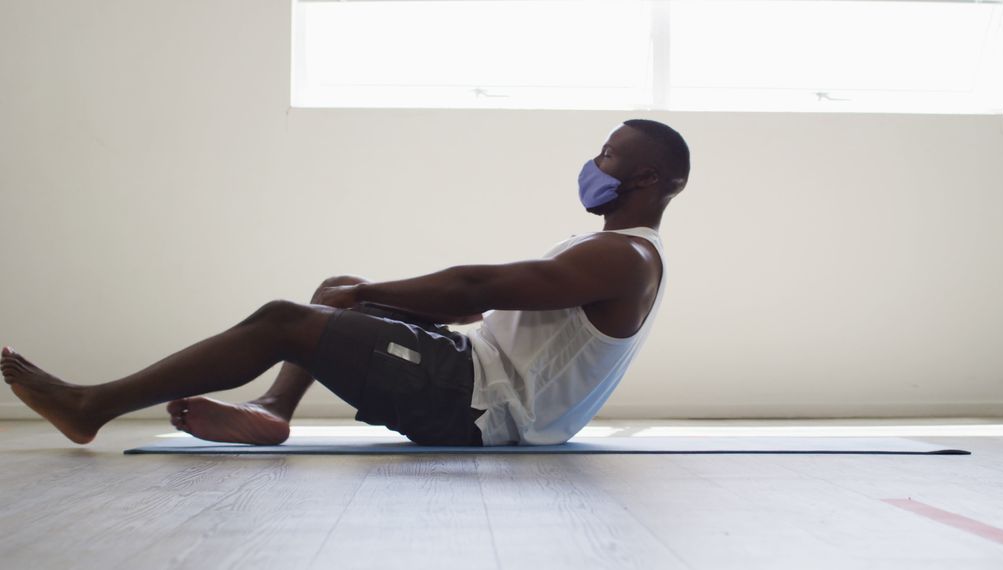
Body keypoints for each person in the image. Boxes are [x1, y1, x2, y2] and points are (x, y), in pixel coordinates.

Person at [1, 119, 690, 447]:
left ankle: (93, 406)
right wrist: (359, 296)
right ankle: (274, 409)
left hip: (483, 405)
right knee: (335, 288)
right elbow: (475, 298)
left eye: (607, 154)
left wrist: (371, 302)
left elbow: (474, 287)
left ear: (649, 179)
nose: (593, 163)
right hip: (479, 373)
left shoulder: (625, 258)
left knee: (285, 319)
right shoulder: (615, 250)